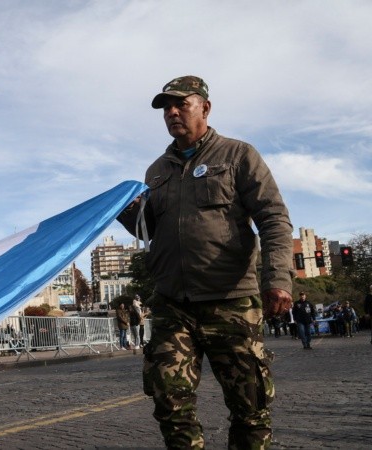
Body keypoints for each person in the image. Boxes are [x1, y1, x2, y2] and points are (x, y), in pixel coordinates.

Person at [117, 75, 293, 449]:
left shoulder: (238, 155)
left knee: (250, 407)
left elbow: (274, 218)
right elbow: (150, 230)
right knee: (169, 402)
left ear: (205, 108)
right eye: (167, 107)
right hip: (172, 303)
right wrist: (124, 213)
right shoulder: (156, 172)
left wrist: (278, 277)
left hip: (231, 300)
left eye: (181, 104)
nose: (172, 112)